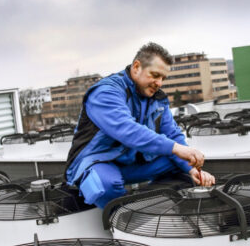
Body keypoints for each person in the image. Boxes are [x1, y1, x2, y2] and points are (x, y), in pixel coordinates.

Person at [65, 42, 216, 208]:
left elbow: (172, 135)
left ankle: (154, 205)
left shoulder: (157, 98)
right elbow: (127, 130)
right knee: (106, 185)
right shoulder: (106, 92)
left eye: (163, 78)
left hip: (131, 164)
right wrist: (176, 148)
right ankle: (121, 220)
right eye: (155, 75)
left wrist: (192, 169)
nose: (159, 83)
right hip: (99, 162)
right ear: (136, 67)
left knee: (179, 164)